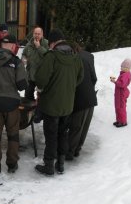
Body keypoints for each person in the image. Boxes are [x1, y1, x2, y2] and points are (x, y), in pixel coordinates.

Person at [34, 29, 84, 175]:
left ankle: (49, 165)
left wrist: (45, 88)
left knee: (51, 135)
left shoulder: (51, 57)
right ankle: (60, 164)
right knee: (63, 133)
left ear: (53, 43)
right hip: (68, 105)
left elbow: (41, 79)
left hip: (51, 105)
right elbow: (80, 78)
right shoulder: (75, 57)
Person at [0, 34, 28, 174]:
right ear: (11, 45)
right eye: (15, 45)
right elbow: (22, 85)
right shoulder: (16, 62)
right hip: (11, 104)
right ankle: (12, 163)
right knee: (13, 134)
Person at [67, 45, 98, 160]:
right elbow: (94, 78)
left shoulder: (73, 60)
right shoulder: (88, 56)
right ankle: (76, 150)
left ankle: (70, 152)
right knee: (84, 127)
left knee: (76, 127)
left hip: (80, 98)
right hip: (91, 97)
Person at [22, 26, 49, 101]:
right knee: (28, 96)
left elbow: (48, 57)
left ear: (42, 34)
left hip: (41, 76)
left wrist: (39, 47)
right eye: (35, 33)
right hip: (30, 75)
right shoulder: (29, 44)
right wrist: (23, 59)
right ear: (33, 34)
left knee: (42, 97)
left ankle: (39, 110)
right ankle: (30, 110)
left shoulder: (46, 43)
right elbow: (24, 54)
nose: (36, 35)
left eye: (38, 34)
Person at [110, 58, 131, 128]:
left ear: (127, 68)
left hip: (121, 94)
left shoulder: (125, 75)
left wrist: (115, 81)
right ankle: (119, 120)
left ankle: (123, 122)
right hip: (118, 94)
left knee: (121, 108)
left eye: (122, 67)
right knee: (117, 107)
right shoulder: (124, 73)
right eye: (121, 66)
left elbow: (122, 84)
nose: (121, 68)